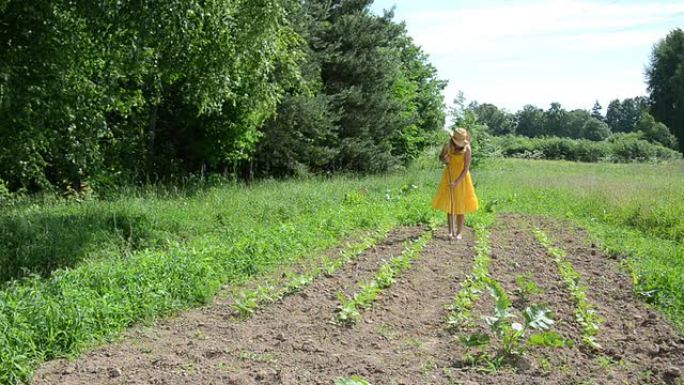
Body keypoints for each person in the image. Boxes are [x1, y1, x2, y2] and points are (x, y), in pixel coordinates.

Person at [431, 127, 479, 240]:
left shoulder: (467, 149)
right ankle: (450, 232)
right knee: (450, 204)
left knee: (460, 206)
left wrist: (457, 182)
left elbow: (466, 168)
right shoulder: (448, 146)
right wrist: (445, 160)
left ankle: (459, 233)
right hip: (449, 176)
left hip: (462, 179)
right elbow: (441, 158)